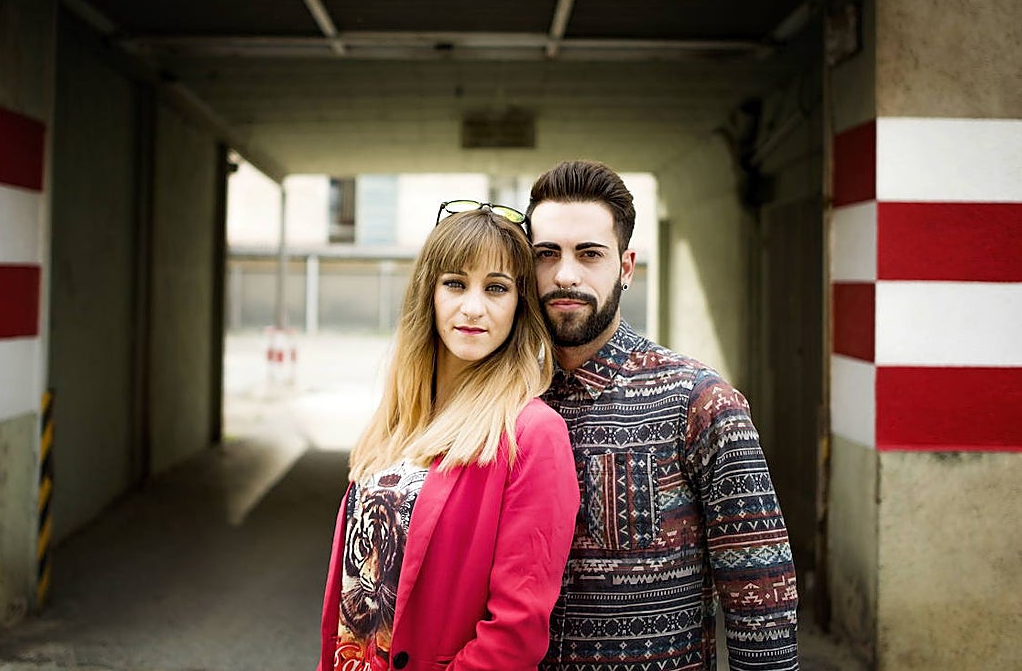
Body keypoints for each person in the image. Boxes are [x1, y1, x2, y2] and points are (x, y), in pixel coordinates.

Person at [526, 161, 799, 671]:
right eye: (547, 255)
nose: (565, 274)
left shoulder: (699, 401)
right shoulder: (507, 402)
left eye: (589, 254)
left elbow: (760, 597)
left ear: (626, 267)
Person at [316, 201, 580, 671]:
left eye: (496, 288)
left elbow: (516, 631)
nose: (472, 308)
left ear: (519, 306)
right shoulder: (400, 418)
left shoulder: (533, 434)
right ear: (430, 295)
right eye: (455, 283)